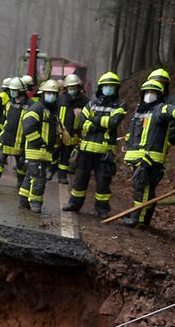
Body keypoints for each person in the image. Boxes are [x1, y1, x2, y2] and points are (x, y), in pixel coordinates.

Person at [120, 79, 175, 228]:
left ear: (159, 95)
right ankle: (140, 216)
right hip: (138, 157)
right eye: (147, 92)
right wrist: (127, 144)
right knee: (141, 187)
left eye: (153, 92)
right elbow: (134, 133)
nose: (149, 95)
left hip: (150, 158)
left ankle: (138, 219)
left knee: (144, 188)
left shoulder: (160, 109)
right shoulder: (139, 112)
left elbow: (171, 110)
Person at [63, 71, 126, 218]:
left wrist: (93, 120)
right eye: (106, 86)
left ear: (116, 88)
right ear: (101, 87)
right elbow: (80, 122)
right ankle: (74, 204)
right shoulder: (91, 103)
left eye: (112, 86)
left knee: (103, 182)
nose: (108, 89)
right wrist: (95, 123)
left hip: (105, 152)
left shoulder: (120, 105)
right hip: (86, 149)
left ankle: (102, 209)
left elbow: (113, 122)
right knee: (80, 179)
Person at [19, 80, 61, 211]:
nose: (51, 96)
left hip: (44, 152)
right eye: (48, 93)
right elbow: (27, 125)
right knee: (39, 178)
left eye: (53, 93)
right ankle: (36, 204)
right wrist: (40, 142)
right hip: (37, 151)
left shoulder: (51, 110)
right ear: (43, 94)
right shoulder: (38, 107)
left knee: (30, 176)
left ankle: (24, 201)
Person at [0, 78, 28, 190]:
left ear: (21, 90)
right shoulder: (9, 103)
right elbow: (6, 120)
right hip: (7, 138)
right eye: (11, 90)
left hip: (21, 140)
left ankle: (20, 184)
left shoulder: (30, 105)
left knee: (21, 166)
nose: (12, 92)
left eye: (14, 90)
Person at [55, 73, 87, 184]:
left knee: (65, 155)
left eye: (74, 87)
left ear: (79, 87)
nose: (72, 89)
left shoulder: (84, 101)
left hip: (73, 132)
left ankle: (62, 176)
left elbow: (89, 116)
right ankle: (51, 169)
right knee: (54, 152)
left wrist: (81, 116)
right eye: (70, 87)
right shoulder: (60, 98)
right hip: (59, 131)